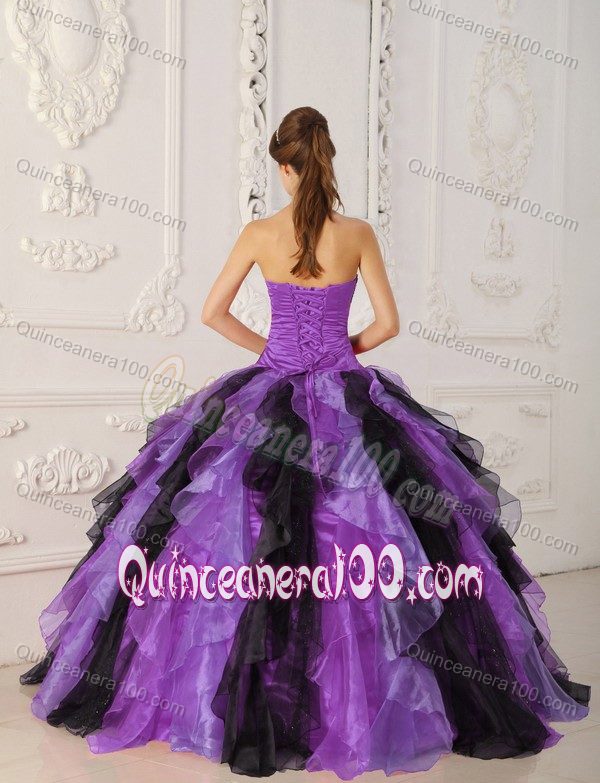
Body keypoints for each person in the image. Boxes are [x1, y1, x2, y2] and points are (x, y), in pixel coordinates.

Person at [19, 106, 590, 779]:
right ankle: (376, 698)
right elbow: (388, 323)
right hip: (346, 388)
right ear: (327, 160)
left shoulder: (261, 233)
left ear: (286, 167)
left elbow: (212, 312)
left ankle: (239, 698)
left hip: (272, 383)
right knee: (383, 531)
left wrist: (273, 351)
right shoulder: (358, 234)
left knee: (231, 531)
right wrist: (342, 354)